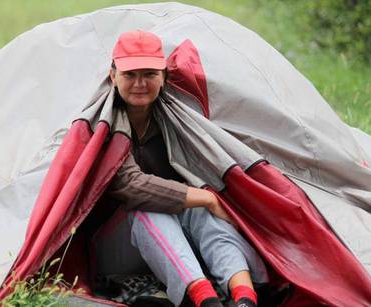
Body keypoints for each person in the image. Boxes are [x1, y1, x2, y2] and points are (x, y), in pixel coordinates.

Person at [95, 30, 268, 307]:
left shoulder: (175, 117)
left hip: (178, 243)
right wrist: (209, 198)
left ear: (164, 76)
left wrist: (206, 201)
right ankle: (204, 300)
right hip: (115, 246)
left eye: (150, 74)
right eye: (130, 75)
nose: (140, 83)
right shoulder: (102, 122)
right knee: (149, 206)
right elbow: (130, 185)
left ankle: (245, 297)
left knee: (199, 208)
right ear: (113, 76)